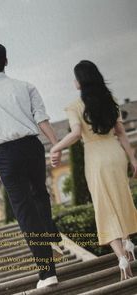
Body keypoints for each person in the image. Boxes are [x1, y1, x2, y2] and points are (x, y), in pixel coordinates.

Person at [0, 43, 63, 288]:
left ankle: (47, 273)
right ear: (6, 61)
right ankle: (50, 235)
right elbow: (42, 119)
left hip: (6, 154)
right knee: (40, 193)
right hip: (32, 146)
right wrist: (56, 145)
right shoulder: (26, 87)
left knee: (24, 211)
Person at [50, 60, 137, 281]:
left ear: (79, 82)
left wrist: (56, 147)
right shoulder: (111, 101)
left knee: (104, 206)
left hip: (96, 158)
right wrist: (133, 160)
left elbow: (76, 134)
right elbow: (122, 134)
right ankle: (128, 244)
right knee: (121, 199)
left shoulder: (75, 107)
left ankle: (122, 258)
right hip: (116, 154)